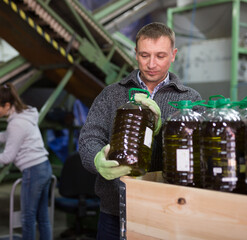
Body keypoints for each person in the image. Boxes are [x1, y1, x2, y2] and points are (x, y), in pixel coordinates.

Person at [78, 22, 203, 239]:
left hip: (169, 208)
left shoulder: (190, 100)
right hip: (115, 210)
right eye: (145, 55)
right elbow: (90, 137)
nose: (152, 64)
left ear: (173, 55)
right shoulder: (111, 95)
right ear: (135, 53)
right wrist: (97, 160)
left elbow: (198, 153)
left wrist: (161, 128)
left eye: (160, 56)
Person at [0, 82, 52, 240]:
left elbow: (7, 158)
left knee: (27, 219)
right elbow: (5, 137)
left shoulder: (16, 124)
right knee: (42, 218)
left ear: (7, 105)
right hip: (44, 167)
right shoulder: (23, 115)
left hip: (33, 171)